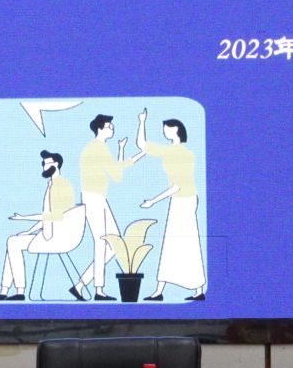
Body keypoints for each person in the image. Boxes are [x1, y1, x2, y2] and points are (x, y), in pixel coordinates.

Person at [0, 150, 84, 300]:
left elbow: (54, 216)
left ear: (56, 164)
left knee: (13, 242)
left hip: (56, 238)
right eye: (43, 164)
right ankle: (5, 291)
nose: (44, 167)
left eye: (47, 163)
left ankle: (18, 291)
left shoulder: (60, 186)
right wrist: (29, 231)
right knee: (14, 241)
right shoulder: (54, 184)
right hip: (52, 233)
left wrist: (24, 218)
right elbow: (49, 218)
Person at [74, 113, 140, 300]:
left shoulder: (99, 147)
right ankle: (98, 290)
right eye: (109, 126)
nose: (112, 128)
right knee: (102, 242)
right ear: (99, 129)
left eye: (112, 126)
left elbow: (115, 173)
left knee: (114, 244)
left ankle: (80, 285)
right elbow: (116, 174)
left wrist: (121, 150)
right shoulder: (96, 148)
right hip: (93, 198)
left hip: (98, 198)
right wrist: (131, 157)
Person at [139, 115, 205, 302]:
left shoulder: (183, 155)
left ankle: (197, 289)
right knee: (172, 245)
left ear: (176, 130)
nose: (164, 130)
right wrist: (142, 122)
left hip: (184, 201)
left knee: (185, 244)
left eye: (167, 127)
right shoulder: (169, 151)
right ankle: (161, 290)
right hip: (179, 200)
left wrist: (153, 201)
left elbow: (177, 185)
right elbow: (142, 144)